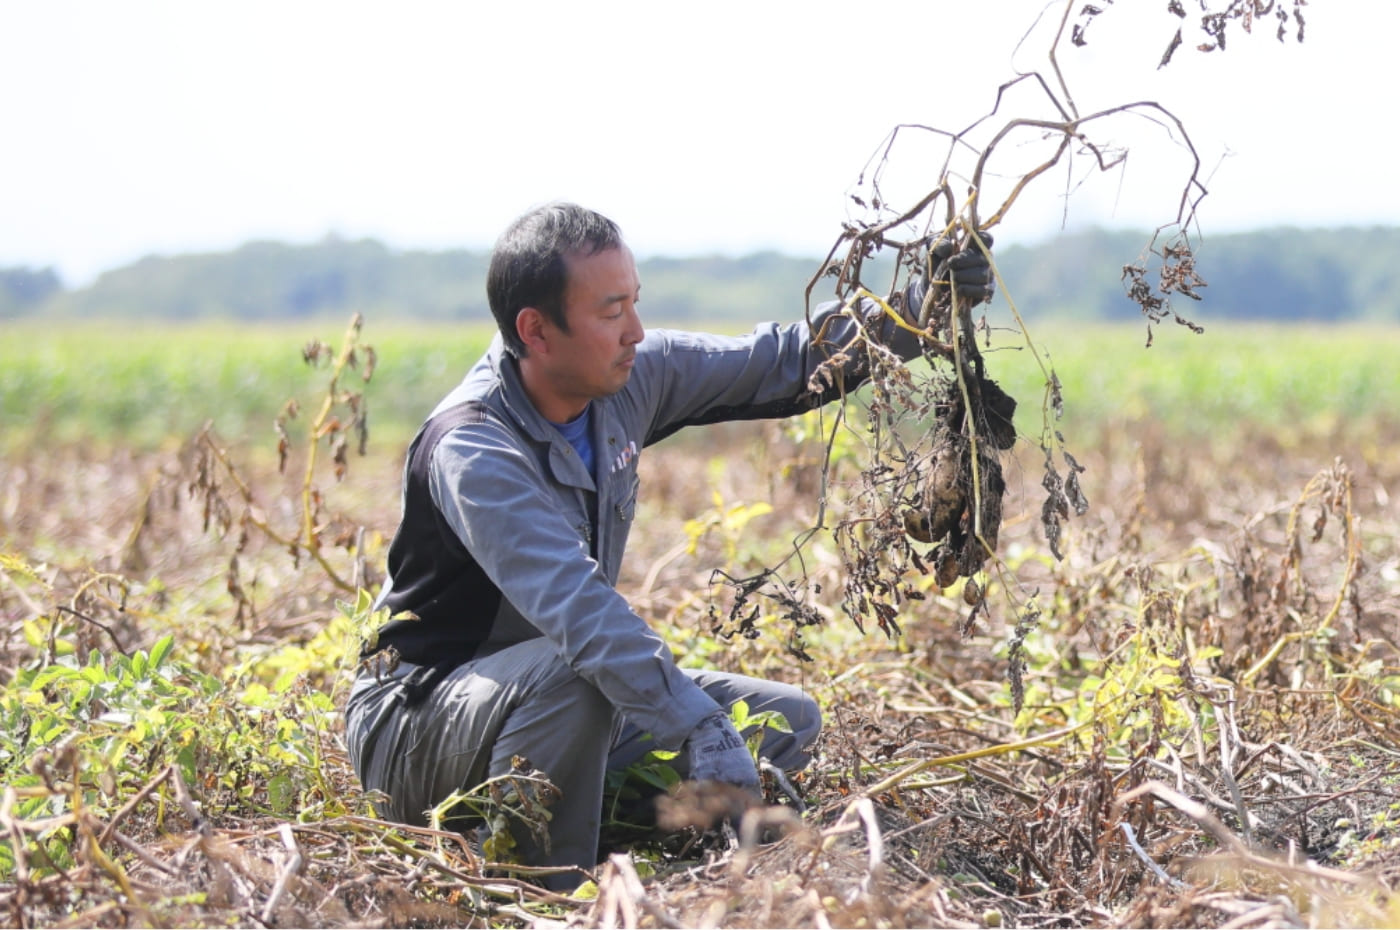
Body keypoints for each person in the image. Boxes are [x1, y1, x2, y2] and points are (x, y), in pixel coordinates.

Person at [345, 202, 994, 888]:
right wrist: (693, 725)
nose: (635, 331)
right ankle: (544, 886)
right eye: (610, 311)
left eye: (635, 302)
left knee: (783, 723)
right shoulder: (475, 447)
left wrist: (919, 308)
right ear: (535, 330)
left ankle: (590, 812)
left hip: (554, 704)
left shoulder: (625, 381)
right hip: (421, 731)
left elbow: (783, 362)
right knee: (587, 672)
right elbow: (578, 616)